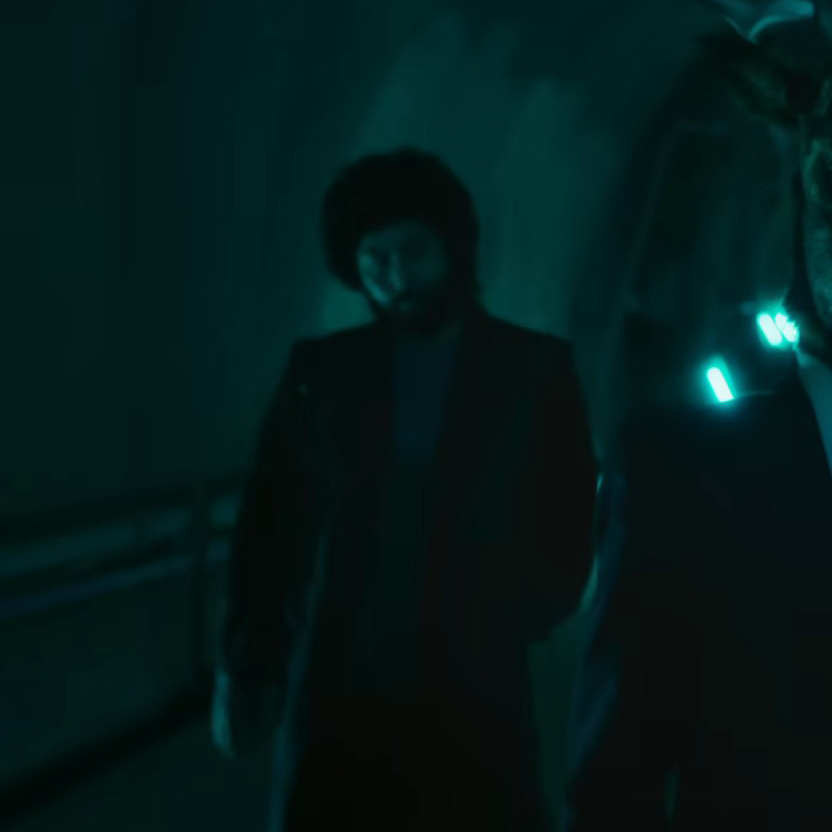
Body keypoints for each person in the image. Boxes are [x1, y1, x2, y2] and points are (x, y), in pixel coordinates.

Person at [212, 148, 599, 832]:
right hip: (340, 673)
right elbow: (269, 522)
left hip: (473, 677)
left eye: (414, 252)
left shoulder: (533, 370)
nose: (397, 277)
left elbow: (569, 508)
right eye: (377, 260)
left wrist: (523, 610)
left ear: (452, 246)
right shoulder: (320, 374)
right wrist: (248, 663)